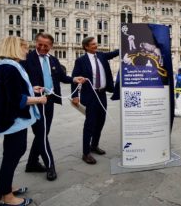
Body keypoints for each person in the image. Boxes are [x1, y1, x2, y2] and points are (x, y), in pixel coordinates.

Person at [0, 36, 47, 206]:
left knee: (11, 154)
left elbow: (12, 90)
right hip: (13, 119)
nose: (27, 51)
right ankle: (7, 197)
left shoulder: (6, 66)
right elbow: (15, 98)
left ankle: (4, 188)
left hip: (10, 118)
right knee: (13, 154)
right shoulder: (9, 68)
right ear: (15, 48)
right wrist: (38, 100)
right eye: (25, 47)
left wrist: (31, 89)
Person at [21, 32, 85, 181]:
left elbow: (62, 77)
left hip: (49, 101)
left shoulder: (54, 60)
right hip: (36, 101)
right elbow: (21, 81)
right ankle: (50, 166)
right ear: (35, 43)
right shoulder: (26, 59)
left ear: (51, 46)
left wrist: (75, 79)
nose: (42, 48)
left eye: (46, 45)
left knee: (43, 132)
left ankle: (31, 163)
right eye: (40, 44)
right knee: (42, 133)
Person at [71, 37, 119, 165]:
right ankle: (86, 153)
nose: (95, 46)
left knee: (101, 121)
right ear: (86, 46)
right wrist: (75, 95)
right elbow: (74, 78)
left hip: (102, 94)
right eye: (93, 44)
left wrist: (128, 44)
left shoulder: (102, 56)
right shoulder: (81, 61)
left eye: (95, 44)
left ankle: (94, 145)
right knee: (90, 124)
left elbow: (114, 53)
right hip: (90, 96)